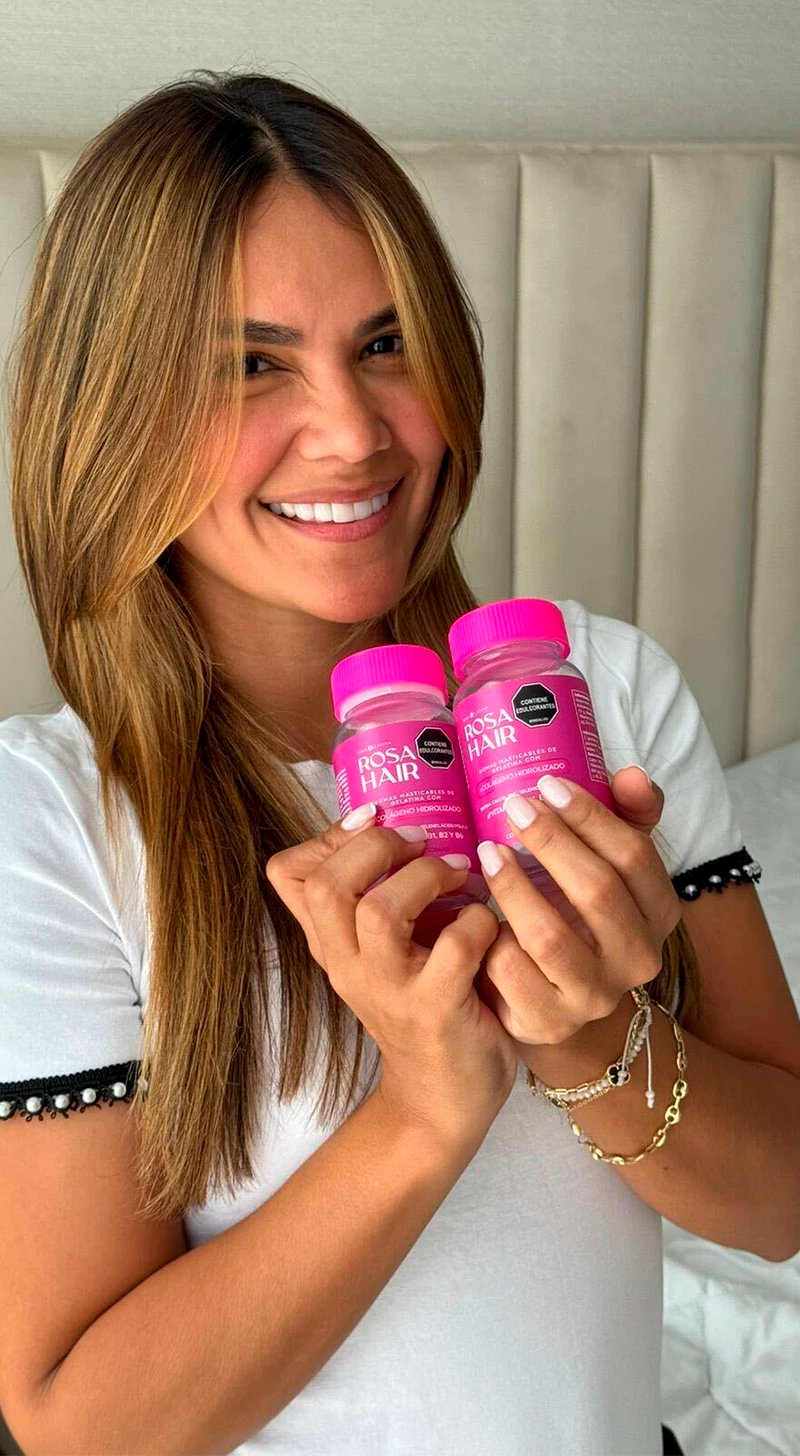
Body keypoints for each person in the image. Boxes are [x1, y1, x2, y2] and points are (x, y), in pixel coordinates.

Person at [0, 71, 798, 1456]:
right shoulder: (50, 824)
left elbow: (782, 1205)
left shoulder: (594, 699)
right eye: (250, 365)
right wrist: (426, 1110)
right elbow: (82, 1425)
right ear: (110, 414)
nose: (356, 431)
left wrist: (592, 1039)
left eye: (386, 343)